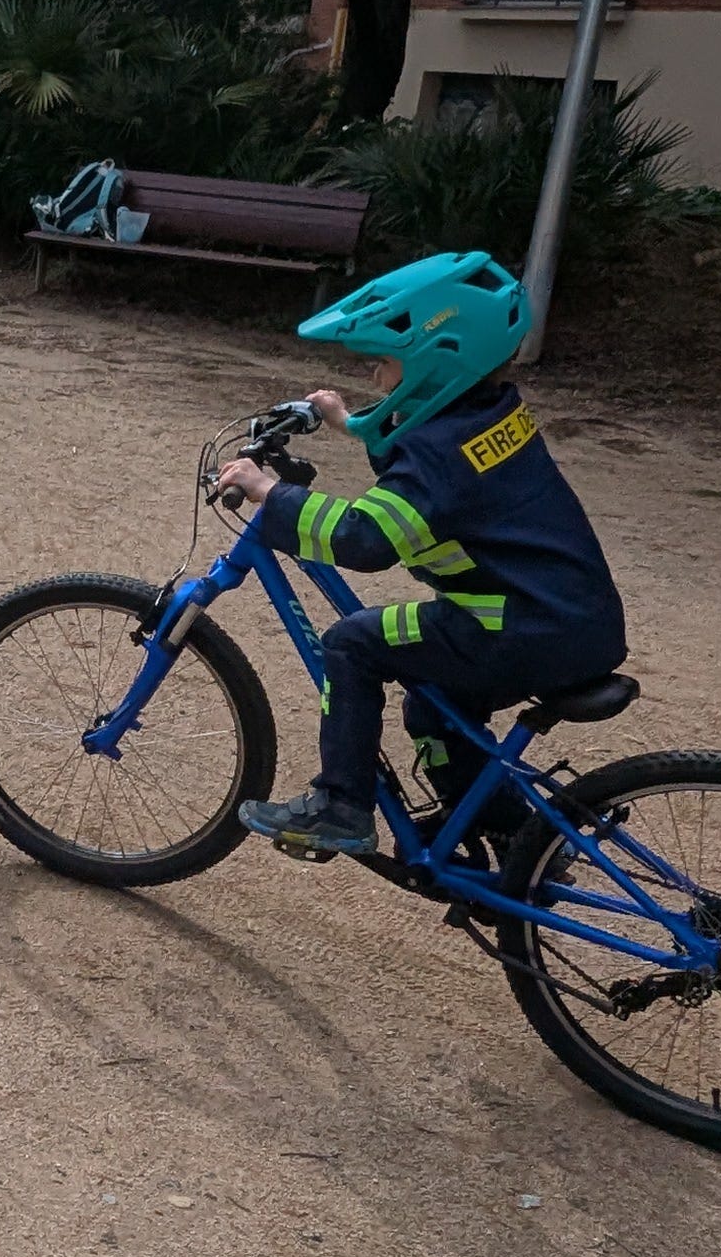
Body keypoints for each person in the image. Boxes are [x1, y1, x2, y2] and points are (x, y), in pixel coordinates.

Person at [212, 250, 627, 857]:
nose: (377, 377)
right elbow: (428, 465)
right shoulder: (490, 413)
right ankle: (516, 842)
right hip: (570, 619)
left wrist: (271, 492)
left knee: (352, 642)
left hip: (515, 629)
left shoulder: (438, 458)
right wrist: (352, 423)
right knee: (435, 709)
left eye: (385, 363)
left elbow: (365, 537)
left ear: (438, 365)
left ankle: (341, 805)